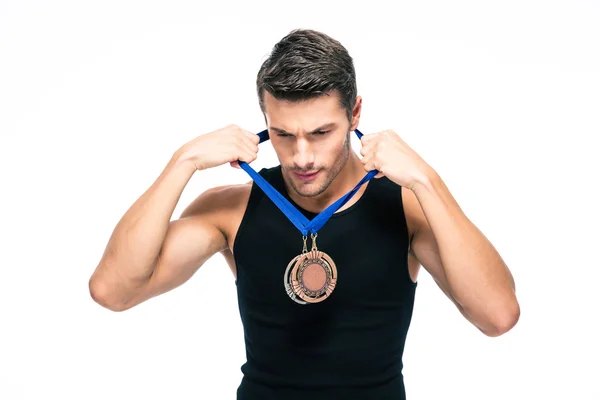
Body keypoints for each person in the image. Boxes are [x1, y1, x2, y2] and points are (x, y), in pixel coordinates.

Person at [89, 29, 520, 399]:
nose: (302, 156)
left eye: (320, 133)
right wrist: (181, 162)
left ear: (354, 114)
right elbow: (113, 290)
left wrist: (426, 180)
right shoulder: (232, 210)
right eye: (283, 134)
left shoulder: (406, 208)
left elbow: (497, 316)